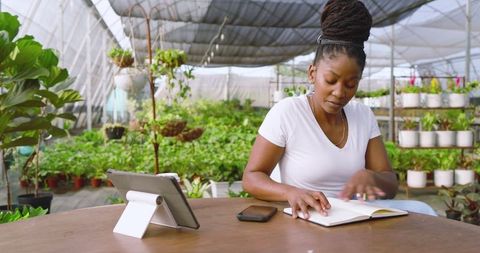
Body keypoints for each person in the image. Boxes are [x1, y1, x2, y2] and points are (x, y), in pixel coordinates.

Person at [242, 0, 436, 219]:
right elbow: (252, 177)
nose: (339, 92)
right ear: (312, 73)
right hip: (309, 219)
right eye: (331, 80)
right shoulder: (288, 113)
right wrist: (291, 192)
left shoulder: (363, 116)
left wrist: (373, 178)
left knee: (426, 213)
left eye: (351, 84)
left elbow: (389, 183)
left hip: (356, 218)